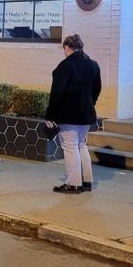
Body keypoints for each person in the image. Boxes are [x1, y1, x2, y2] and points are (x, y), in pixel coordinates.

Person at [45, 33, 102, 194]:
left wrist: (50, 115)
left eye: (64, 49)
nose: (64, 52)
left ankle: (73, 183)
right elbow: (97, 88)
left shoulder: (65, 66)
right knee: (81, 145)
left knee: (69, 147)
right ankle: (86, 180)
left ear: (68, 47)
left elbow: (57, 92)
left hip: (68, 114)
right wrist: (91, 103)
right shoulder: (93, 65)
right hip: (86, 113)